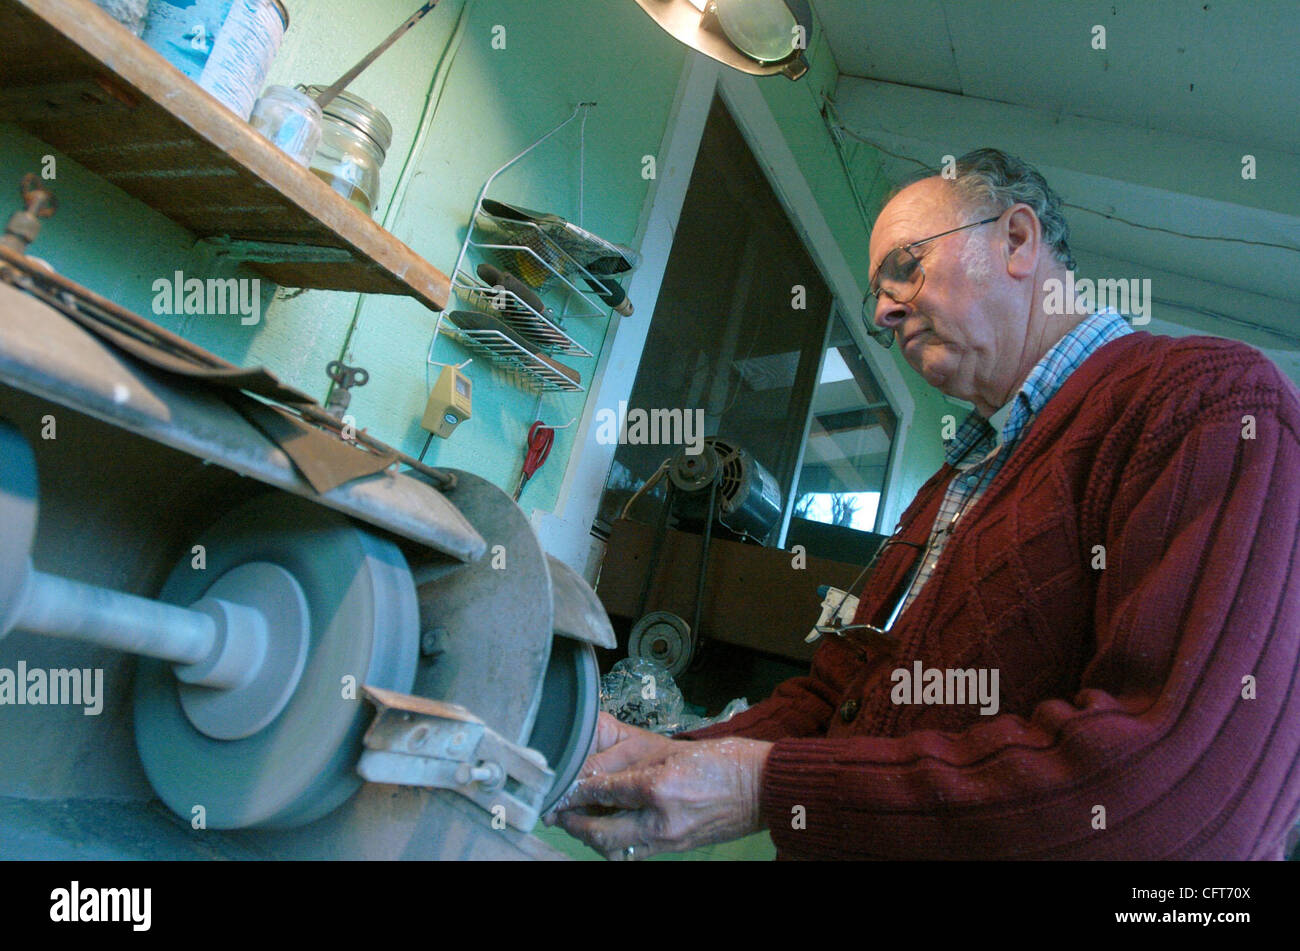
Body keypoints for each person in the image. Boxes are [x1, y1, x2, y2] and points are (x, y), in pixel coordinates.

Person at [546, 149, 1300, 860]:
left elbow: (1182, 801)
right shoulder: (957, 480)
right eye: (877, 291)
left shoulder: (1210, 405)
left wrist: (766, 786)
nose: (882, 312)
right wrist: (667, 755)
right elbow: (839, 695)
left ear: (1016, 239)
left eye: (906, 268)